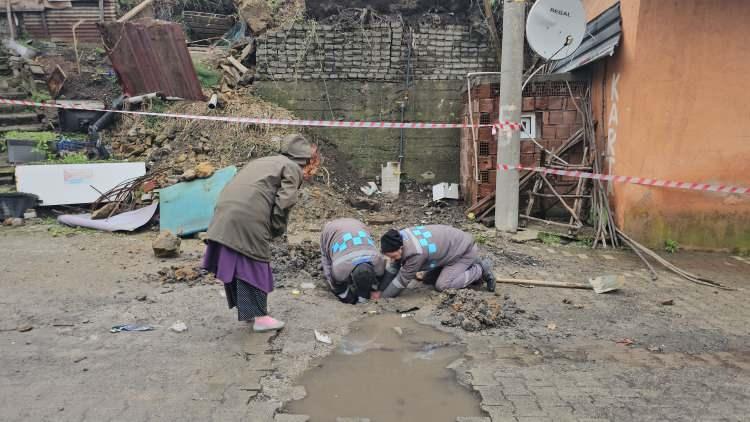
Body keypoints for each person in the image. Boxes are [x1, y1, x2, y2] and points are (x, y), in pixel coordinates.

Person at [202, 134, 320, 332]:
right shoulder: (291, 167)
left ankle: (249, 311)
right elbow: (285, 202)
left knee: (238, 262)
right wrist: (276, 228)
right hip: (247, 217)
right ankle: (261, 318)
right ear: (304, 159)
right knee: (254, 264)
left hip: (225, 212)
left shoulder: (265, 161)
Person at [379, 225, 495, 298]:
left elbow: (402, 280)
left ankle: (480, 268)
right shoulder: (398, 238)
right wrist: (381, 289)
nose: (391, 259)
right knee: (427, 279)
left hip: (463, 251)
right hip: (448, 251)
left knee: (443, 285)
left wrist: (382, 297)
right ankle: (469, 265)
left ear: (400, 248)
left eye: (392, 256)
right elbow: (393, 267)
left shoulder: (415, 253)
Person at [320, 218, 385, 304]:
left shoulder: (379, 261)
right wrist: (348, 298)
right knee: (332, 269)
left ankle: (361, 291)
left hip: (357, 224)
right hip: (339, 228)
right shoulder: (339, 269)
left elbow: (380, 280)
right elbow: (334, 280)